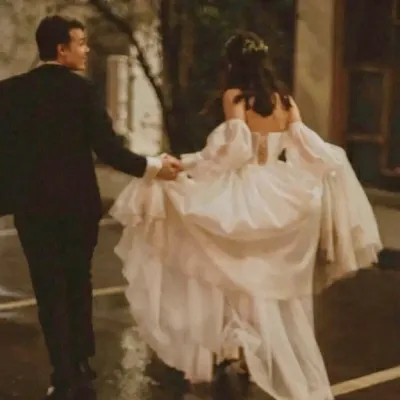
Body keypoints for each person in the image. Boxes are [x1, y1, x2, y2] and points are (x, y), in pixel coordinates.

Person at [109, 32, 382, 399]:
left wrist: (188, 165)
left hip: (243, 189)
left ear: (232, 64)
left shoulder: (236, 97)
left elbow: (235, 150)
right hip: (278, 193)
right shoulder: (284, 101)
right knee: (260, 278)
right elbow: (307, 148)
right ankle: (248, 350)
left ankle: (238, 346)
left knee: (228, 271)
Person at [0, 15, 182, 400]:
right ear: (61, 49)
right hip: (77, 206)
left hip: (33, 208)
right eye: (80, 43)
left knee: (49, 290)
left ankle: (62, 372)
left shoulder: (11, 91)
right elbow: (109, 149)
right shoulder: (82, 91)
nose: (86, 50)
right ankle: (82, 363)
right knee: (78, 283)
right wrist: (153, 167)